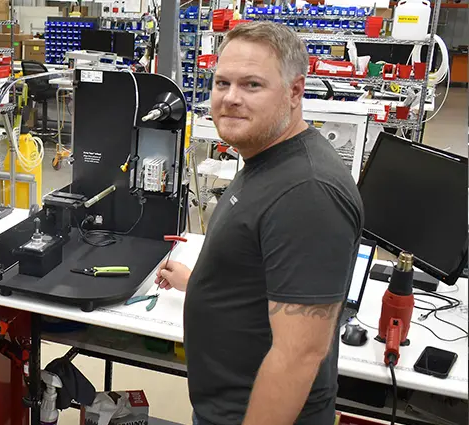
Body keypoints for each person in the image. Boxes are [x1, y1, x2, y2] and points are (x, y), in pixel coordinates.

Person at [156, 22, 364, 425]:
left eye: (252, 85)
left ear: (295, 92)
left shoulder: (308, 191)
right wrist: (199, 282)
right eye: (221, 83)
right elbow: (258, 262)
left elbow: (298, 356)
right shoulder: (265, 156)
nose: (230, 98)